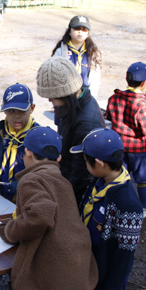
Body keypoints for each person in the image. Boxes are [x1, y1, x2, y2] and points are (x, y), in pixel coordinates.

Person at [0, 126, 98, 290]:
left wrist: (10, 231)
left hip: (52, 272)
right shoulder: (62, 181)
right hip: (75, 265)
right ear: (58, 157)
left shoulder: (31, 181)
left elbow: (40, 214)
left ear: (27, 153)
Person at [70, 128, 144, 290]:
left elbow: (125, 251)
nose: (85, 164)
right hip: (91, 260)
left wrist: (113, 284)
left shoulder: (128, 202)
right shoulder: (98, 182)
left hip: (110, 268)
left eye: (86, 160)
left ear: (100, 163)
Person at [36, 56, 106, 204]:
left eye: (52, 98)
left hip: (74, 193)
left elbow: (80, 172)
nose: (50, 102)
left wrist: (64, 199)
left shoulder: (86, 122)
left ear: (64, 94)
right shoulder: (72, 107)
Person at [107, 62, 146, 218]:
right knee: (142, 179)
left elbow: (109, 116)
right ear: (144, 84)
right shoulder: (142, 104)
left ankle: (121, 205)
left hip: (120, 145)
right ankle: (142, 207)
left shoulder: (114, 97)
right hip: (140, 150)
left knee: (122, 178)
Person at [0, 83, 38, 202]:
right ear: (3, 109)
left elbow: (40, 171)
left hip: (24, 197)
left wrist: (18, 186)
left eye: (22, 111)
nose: (17, 116)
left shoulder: (37, 136)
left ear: (32, 108)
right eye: (11, 111)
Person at [52, 15, 102, 99]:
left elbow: (95, 80)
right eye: (77, 28)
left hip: (86, 95)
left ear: (87, 33)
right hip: (66, 95)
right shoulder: (60, 52)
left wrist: (91, 98)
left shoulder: (93, 53)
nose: (80, 32)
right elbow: (53, 75)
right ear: (69, 31)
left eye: (83, 29)